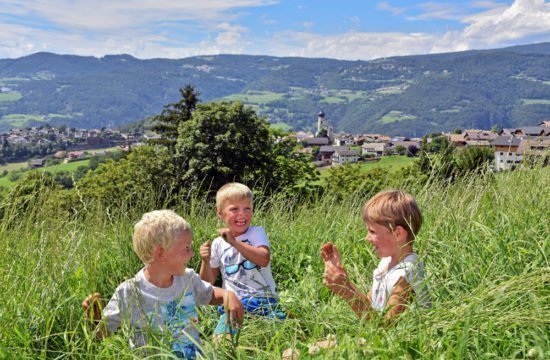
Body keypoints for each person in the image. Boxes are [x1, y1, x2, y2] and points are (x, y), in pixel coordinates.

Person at [82, 210, 244, 359]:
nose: (192, 253)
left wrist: (227, 295)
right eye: (186, 248)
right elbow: (102, 334)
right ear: (161, 253)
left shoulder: (187, 279)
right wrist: (94, 318)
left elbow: (209, 294)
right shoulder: (130, 292)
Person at [321, 190, 430, 321]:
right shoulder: (386, 263)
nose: (367, 238)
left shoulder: (408, 271)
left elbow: (385, 327)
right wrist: (343, 282)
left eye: (372, 231)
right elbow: (369, 309)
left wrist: (346, 290)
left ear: (398, 234)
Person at [199, 183, 285, 337]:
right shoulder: (218, 244)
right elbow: (207, 282)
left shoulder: (256, 233)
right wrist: (205, 261)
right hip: (234, 304)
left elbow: (263, 259)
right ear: (220, 213)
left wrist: (234, 242)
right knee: (222, 340)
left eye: (247, 209)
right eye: (234, 209)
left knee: (284, 337)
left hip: (264, 301)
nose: (242, 214)